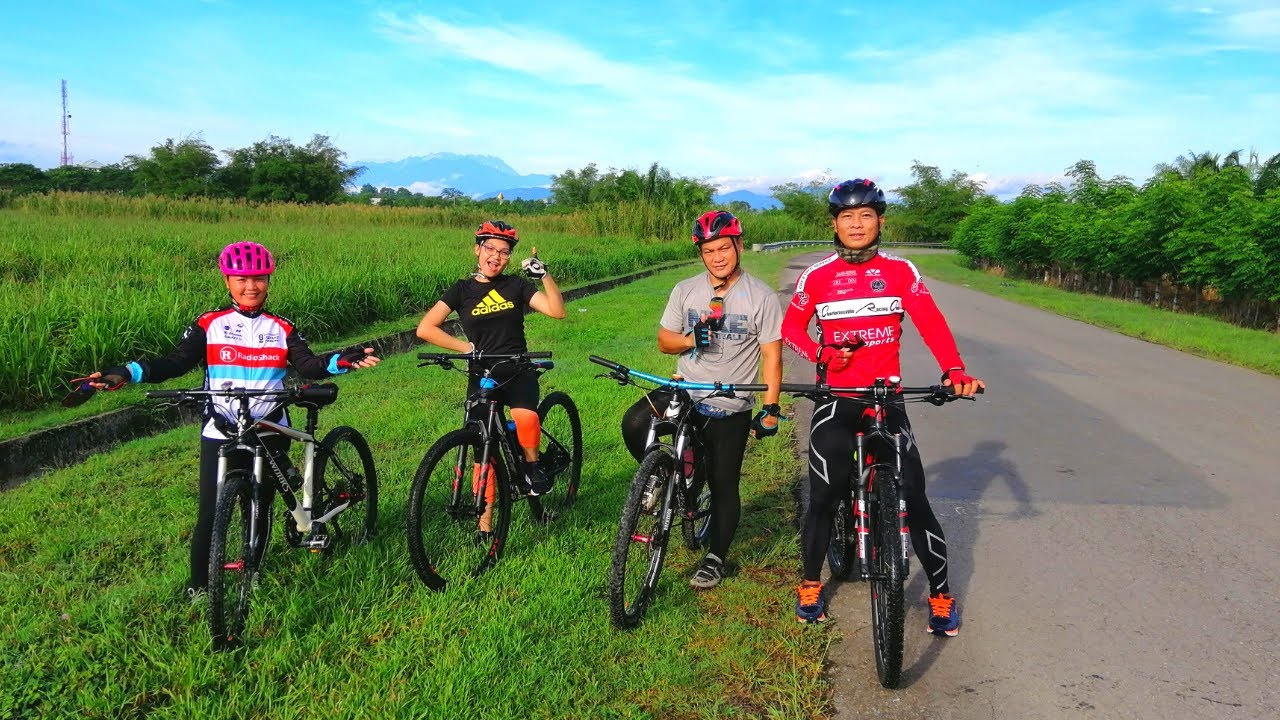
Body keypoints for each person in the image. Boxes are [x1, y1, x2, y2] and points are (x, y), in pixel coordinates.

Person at [81, 241, 380, 600]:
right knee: (211, 510)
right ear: (228, 281)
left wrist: (341, 360)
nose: (250, 287)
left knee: (260, 505)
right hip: (221, 427)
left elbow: (308, 365)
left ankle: (252, 570)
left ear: (268, 281)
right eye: (241, 279)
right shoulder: (210, 324)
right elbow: (174, 363)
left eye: (259, 279)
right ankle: (199, 587)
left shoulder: (282, 328)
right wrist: (125, 373)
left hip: (269, 425)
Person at [781, 179, 985, 633]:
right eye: (847, 217)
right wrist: (822, 354)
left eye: (866, 215)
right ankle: (811, 584)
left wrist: (954, 370)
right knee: (825, 492)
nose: (857, 224)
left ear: (880, 221)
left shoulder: (901, 271)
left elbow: (931, 322)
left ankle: (941, 595)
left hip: (886, 396)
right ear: (834, 223)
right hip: (837, 398)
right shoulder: (816, 277)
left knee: (913, 492)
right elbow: (790, 328)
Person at [620, 210, 783, 590]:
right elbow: (665, 341)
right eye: (709, 251)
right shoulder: (685, 290)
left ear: (739, 246)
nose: (718, 257)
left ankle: (715, 557)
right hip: (685, 389)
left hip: (730, 403)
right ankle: (662, 476)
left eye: (724, 248)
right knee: (634, 422)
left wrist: (771, 409)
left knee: (725, 483)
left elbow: (772, 356)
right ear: (701, 253)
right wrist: (692, 339)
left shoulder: (760, 296)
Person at [416, 221, 566, 511]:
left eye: (504, 252)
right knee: (481, 452)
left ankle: (533, 468)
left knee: (526, 419)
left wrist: (544, 275)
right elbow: (426, 328)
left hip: (517, 369)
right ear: (477, 250)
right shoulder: (461, 290)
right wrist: (467, 349)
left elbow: (557, 312)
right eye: (490, 248)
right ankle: (484, 525)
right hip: (482, 375)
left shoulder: (516, 285)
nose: (496, 256)